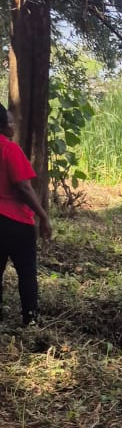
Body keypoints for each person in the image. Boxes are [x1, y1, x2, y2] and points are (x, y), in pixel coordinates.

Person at [0, 107, 53, 326]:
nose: (13, 126)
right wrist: (43, 215)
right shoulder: (9, 149)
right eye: (10, 122)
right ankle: (30, 318)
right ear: (2, 126)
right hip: (15, 221)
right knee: (27, 272)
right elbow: (23, 187)